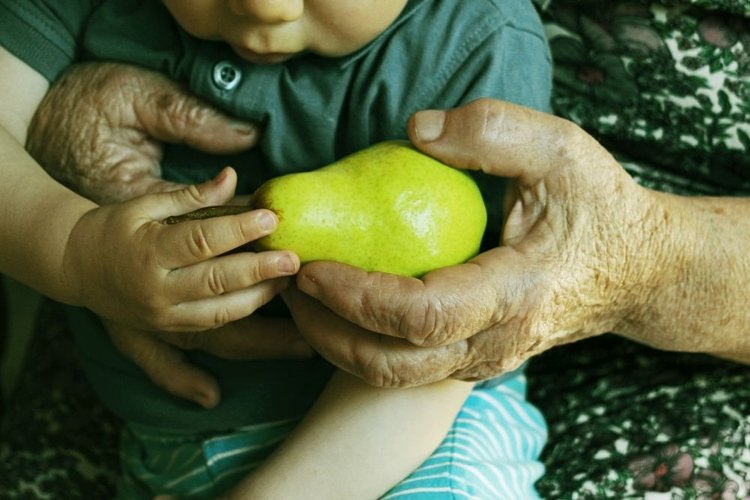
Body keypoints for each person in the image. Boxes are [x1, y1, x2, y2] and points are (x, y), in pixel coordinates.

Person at [0, 0, 552, 497]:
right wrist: (75, 251)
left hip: (407, 443)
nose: (265, 7)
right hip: (168, 442)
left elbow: (455, 339)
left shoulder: (475, 42)